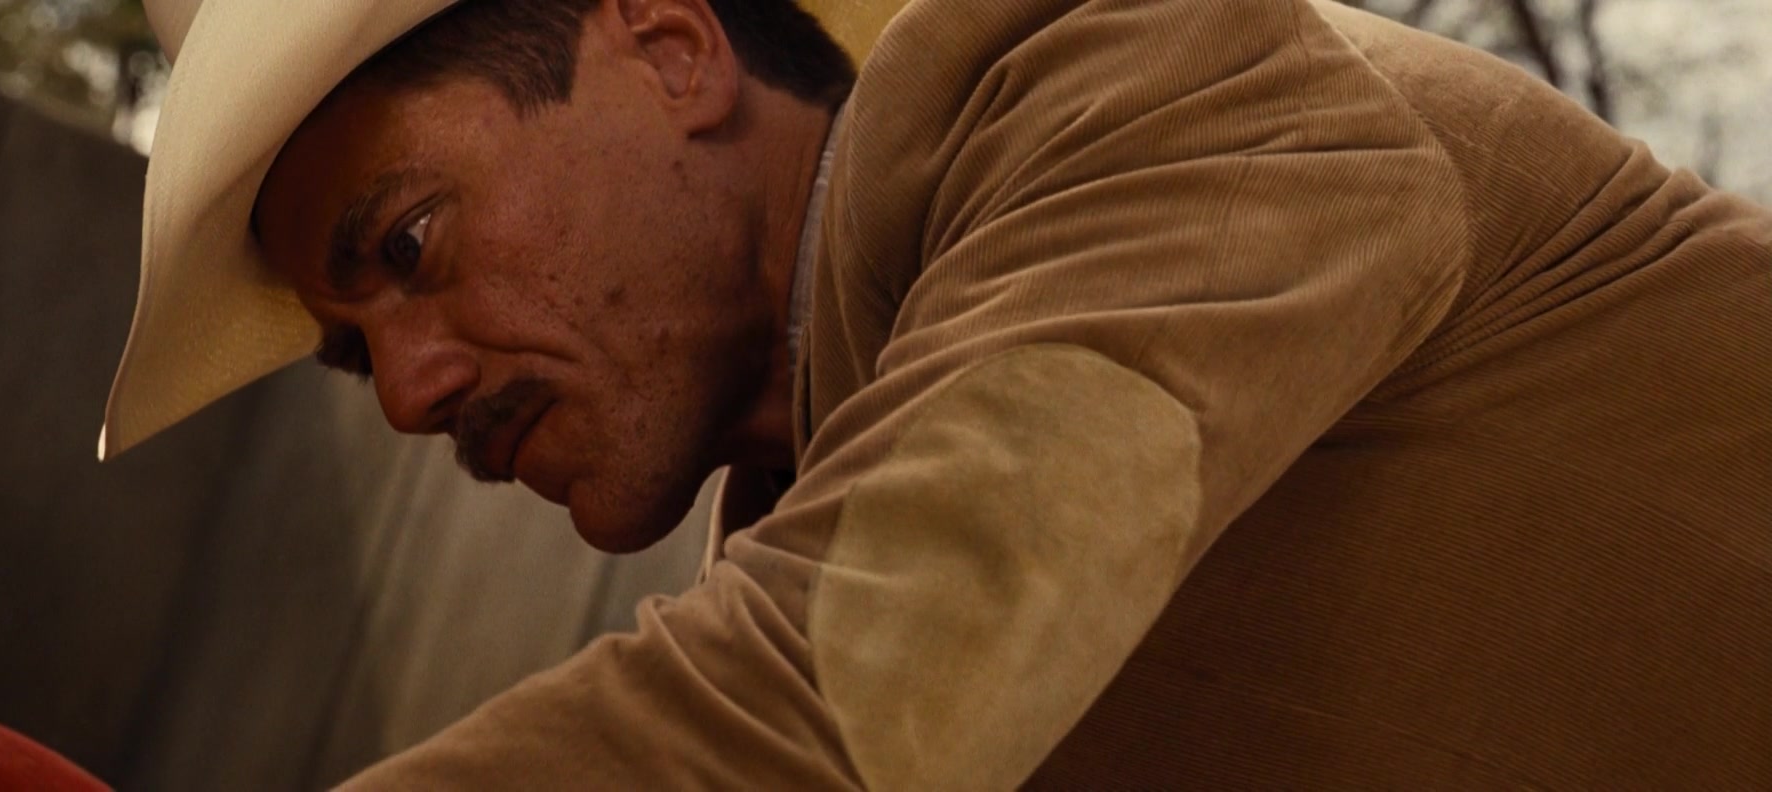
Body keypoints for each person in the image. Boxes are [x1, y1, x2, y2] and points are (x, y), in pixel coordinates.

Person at [101, 0, 1772, 786]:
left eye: (407, 244)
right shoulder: (820, 515)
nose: (406, 392)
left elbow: (847, 692)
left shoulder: (1143, 72)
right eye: (355, 349)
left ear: (670, 46)